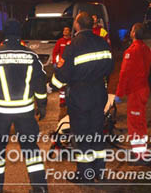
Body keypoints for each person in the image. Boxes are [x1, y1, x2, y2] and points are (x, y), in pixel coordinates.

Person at [0, 19, 48, 193]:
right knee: (31, 149)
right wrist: (42, 104)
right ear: (20, 34)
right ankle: (40, 187)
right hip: (25, 112)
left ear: (5, 34)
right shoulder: (32, 56)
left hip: (0, 112)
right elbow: (40, 83)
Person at [50, 12, 113, 183]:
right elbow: (110, 67)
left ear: (77, 25)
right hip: (99, 93)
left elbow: (62, 74)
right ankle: (99, 171)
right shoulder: (102, 42)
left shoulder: (74, 46)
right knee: (97, 133)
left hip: (80, 96)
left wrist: (50, 87)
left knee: (82, 136)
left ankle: (85, 174)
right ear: (92, 25)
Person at [114, 23, 151, 158]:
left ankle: (140, 154)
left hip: (136, 91)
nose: (130, 32)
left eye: (131, 30)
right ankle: (142, 150)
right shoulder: (146, 49)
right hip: (143, 88)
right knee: (140, 121)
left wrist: (119, 94)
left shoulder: (131, 51)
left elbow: (124, 74)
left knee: (135, 123)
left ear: (134, 33)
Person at [51, 26, 72, 107]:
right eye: (64, 30)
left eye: (67, 30)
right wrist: (54, 62)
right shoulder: (60, 41)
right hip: (61, 66)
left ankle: (69, 100)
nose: (65, 31)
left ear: (70, 32)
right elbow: (55, 52)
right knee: (62, 85)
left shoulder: (72, 41)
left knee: (70, 84)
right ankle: (62, 101)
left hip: (70, 67)